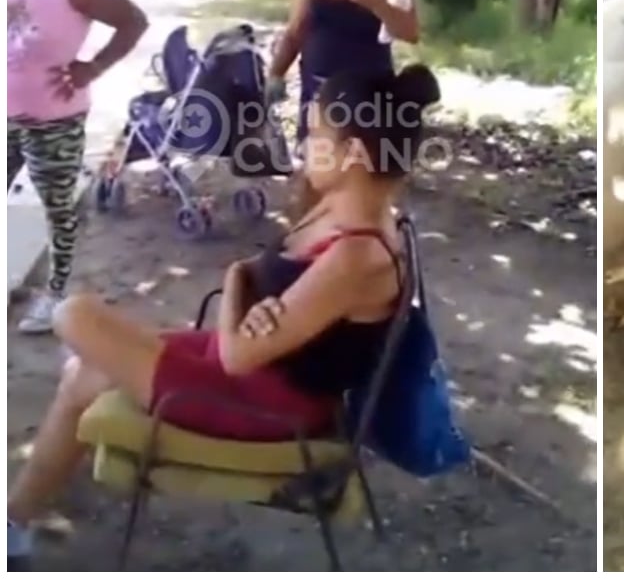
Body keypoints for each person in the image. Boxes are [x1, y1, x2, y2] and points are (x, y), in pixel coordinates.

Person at [7, 65, 441, 570]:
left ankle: (18, 517)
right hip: (253, 366)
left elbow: (238, 348)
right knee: (82, 374)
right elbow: (258, 293)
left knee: (73, 315)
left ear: (356, 155)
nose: (304, 146)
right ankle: (16, 520)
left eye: (317, 134)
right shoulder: (342, 207)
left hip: (271, 402)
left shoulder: (357, 254)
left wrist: (237, 282)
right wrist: (249, 298)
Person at [7, 0, 149, 334]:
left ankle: (54, 293)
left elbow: (134, 20)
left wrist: (95, 66)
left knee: (56, 207)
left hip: (56, 119)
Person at [266, 0, 420, 212]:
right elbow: (295, 33)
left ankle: (363, 251)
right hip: (320, 98)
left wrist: (377, 4)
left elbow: (410, 31)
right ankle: (307, 252)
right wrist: (276, 74)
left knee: (367, 183)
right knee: (315, 181)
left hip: (371, 100)